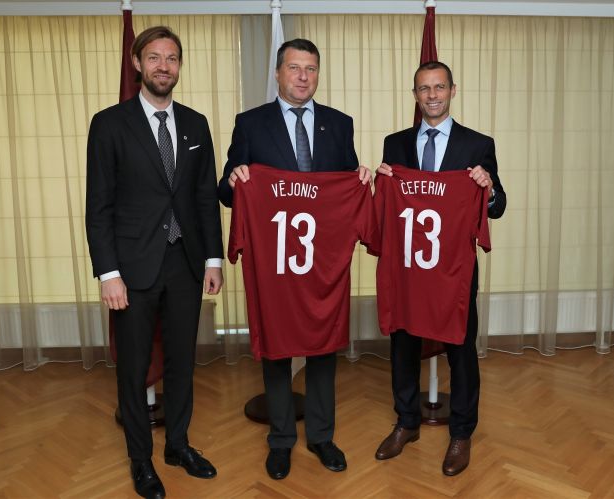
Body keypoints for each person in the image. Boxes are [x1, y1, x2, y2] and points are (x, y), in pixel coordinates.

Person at [218, 38, 371, 481]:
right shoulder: (250, 124)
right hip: (276, 261)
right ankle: (281, 439)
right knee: (277, 348)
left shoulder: (339, 124)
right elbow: (226, 192)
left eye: (311, 69)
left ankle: (322, 437)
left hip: (323, 260)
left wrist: (361, 177)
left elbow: (346, 185)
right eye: (294, 68)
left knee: (324, 348)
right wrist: (235, 178)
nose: (303, 77)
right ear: (278, 73)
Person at [86, 26, 223, 499]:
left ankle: (178, 446)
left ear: (179, 66)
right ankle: (141, 460)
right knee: (134, 367)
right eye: (154, 57)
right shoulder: (109, 124)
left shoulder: (196, 124)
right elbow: (99, 206)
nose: (164, 66)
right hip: (132, 269)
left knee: (183, 362)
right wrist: (109, 273)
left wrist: (212, 259)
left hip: (185, 263)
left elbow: (204, 198)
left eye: (172, 58)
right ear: (137, 63)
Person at [374, 61, 507, 476]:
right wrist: (379, 183)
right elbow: (388, 206)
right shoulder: (395, 143)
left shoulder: (477, 144)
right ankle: (406, 422)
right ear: (414, 95)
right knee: (403, 345)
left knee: (461, 350)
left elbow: (498, 206)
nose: (432, 95)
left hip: (453, 271)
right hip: (408, 267)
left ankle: (462, 433)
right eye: (424, 89)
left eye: (439, 87)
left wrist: (487, 189)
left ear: (452, 90)